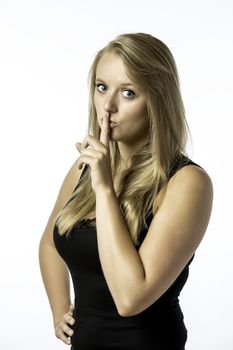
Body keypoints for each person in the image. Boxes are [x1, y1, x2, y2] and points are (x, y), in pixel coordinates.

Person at [39, 32, 213, 350]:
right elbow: (51, 242)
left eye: (129, 93)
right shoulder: (86, 166)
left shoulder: (187, 183)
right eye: (102, 87)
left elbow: (130, 298)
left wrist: (105, 190)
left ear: (158, 100)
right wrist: (59, 309)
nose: (108, 106)